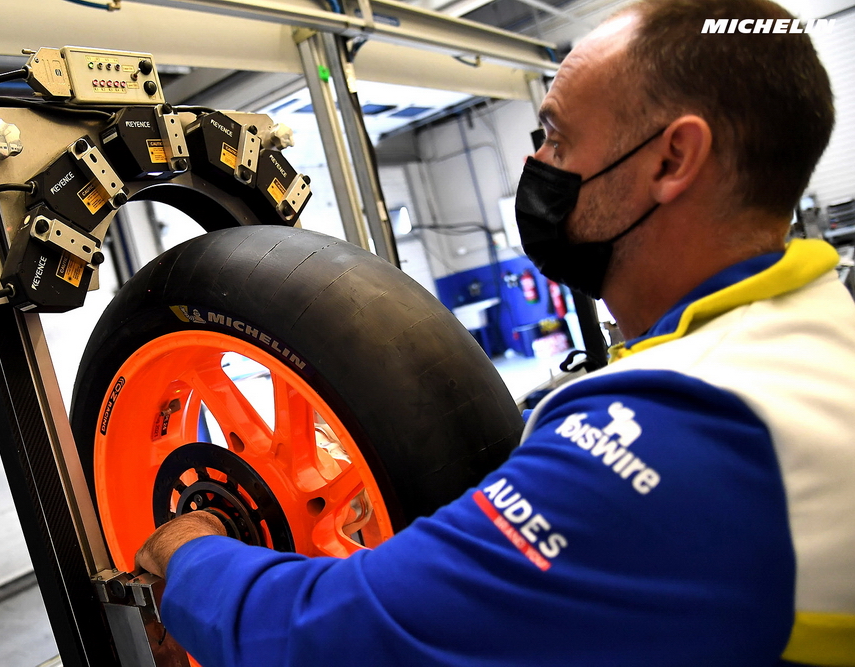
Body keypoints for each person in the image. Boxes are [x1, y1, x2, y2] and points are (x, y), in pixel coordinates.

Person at [136, 0, 855, 664]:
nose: (535, 165)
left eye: (557, 138)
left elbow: (337, 636)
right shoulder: (807, 334)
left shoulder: (680, 428)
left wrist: (190, 552)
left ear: (672, 160)